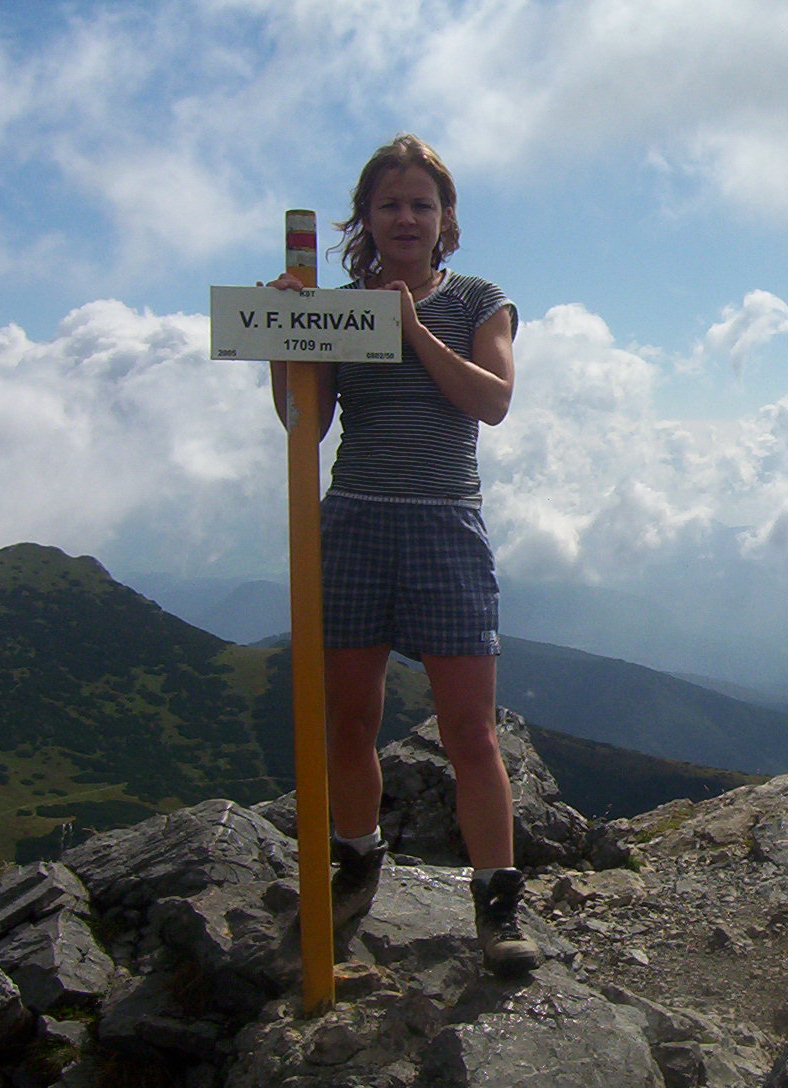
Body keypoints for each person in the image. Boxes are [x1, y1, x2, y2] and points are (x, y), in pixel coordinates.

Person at [268, 133, 537, 976]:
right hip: (352, 522)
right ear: (368, 218)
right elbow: (305, 428)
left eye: (422, 203)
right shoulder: (339, 310)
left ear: (445, 218)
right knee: (349, 721)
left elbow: (490, 402)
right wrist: (287, 343)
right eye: (391, 204)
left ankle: (497, 902)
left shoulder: (480, 301)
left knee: (469, 731)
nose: (407, 217)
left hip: (445, 526)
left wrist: (410, 327)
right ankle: (357, 859)